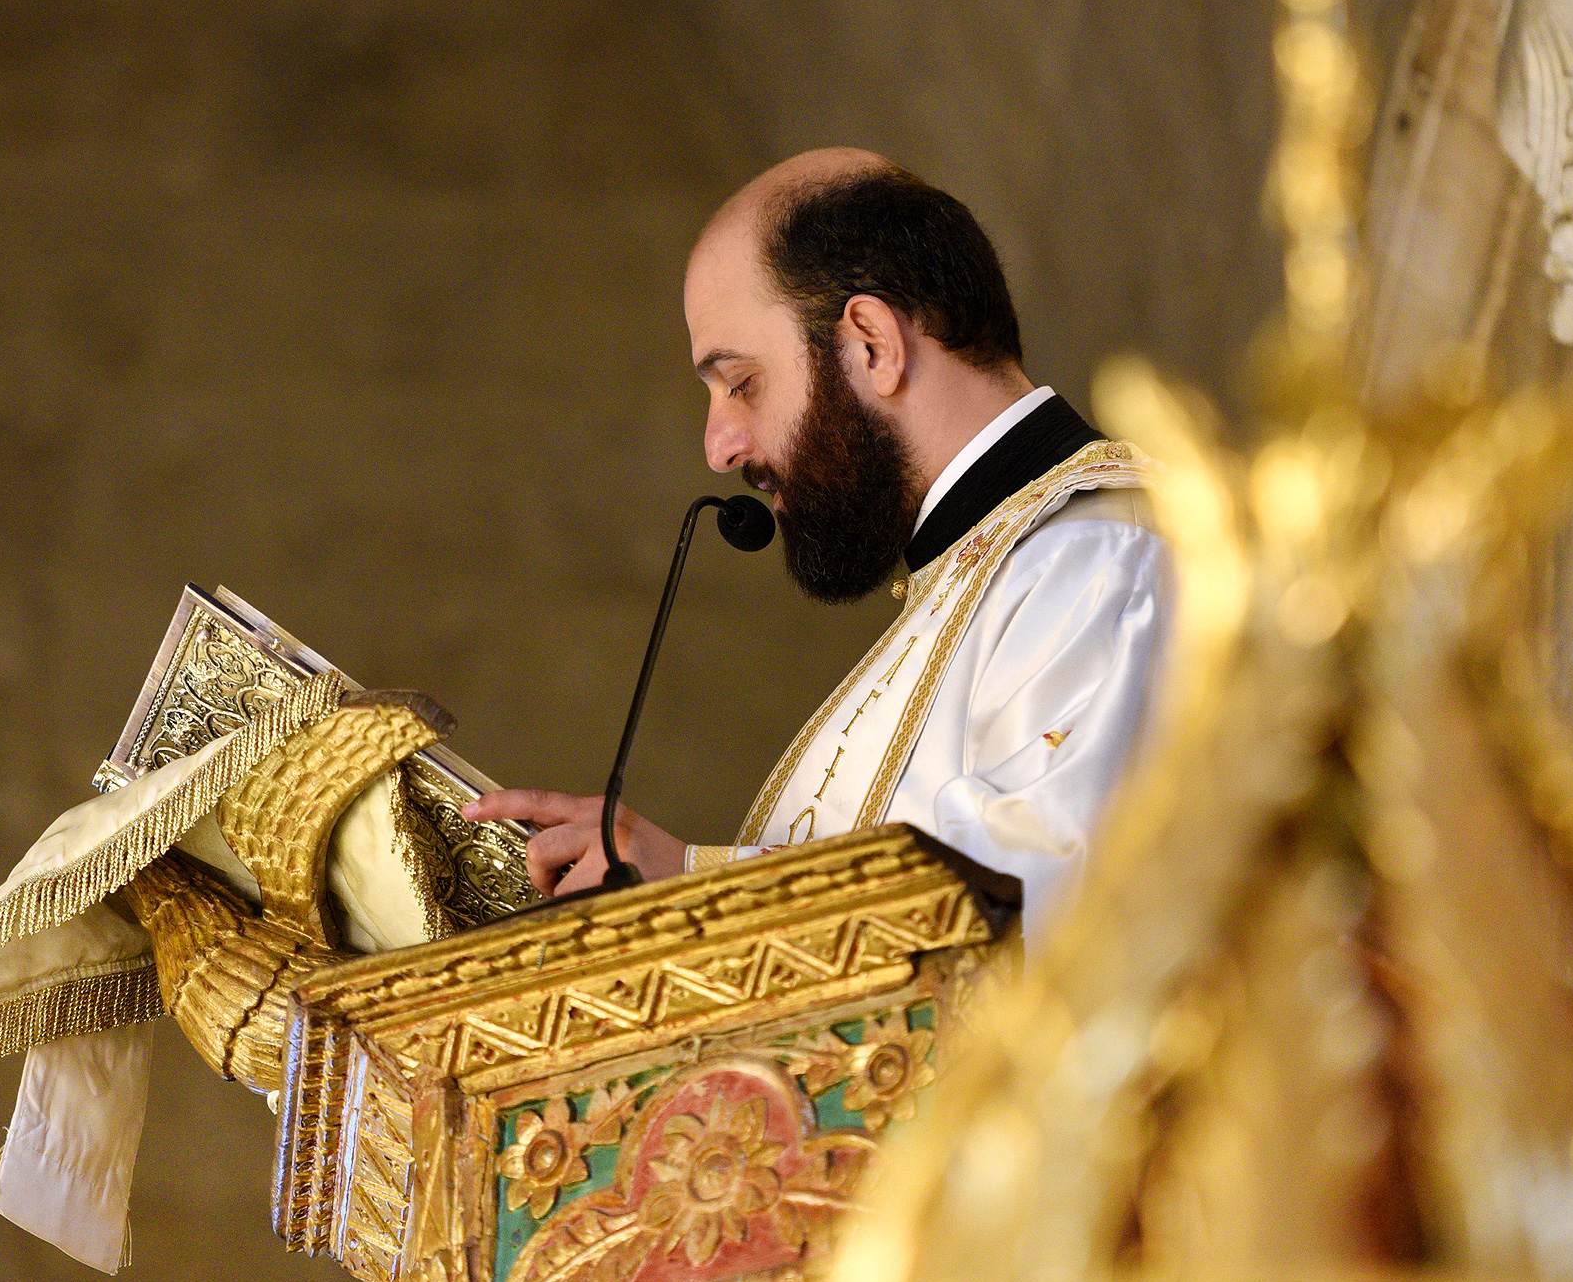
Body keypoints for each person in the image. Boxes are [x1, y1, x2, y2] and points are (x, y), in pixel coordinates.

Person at [463, 148, 1170, 927]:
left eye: (742, 383)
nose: (720, 448)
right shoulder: (1003, 563)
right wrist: (679, 887)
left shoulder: (1104, 553)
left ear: (872, 344)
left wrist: (704, 888)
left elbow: (1040, 913)